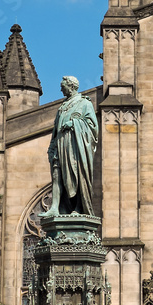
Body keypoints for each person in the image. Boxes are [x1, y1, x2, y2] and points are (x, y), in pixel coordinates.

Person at [43, 76, 99, 216]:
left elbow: (93, 127)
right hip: (60, 145)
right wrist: (52, 146)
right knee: (57, 176)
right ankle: (54, 208)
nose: (61, 89)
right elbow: (56, 129)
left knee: (78, 175)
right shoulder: (62, 106)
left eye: (63, 86)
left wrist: (74, 124)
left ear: (72, 86)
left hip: (76, 147)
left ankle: (79, 208)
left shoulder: (84, 103)